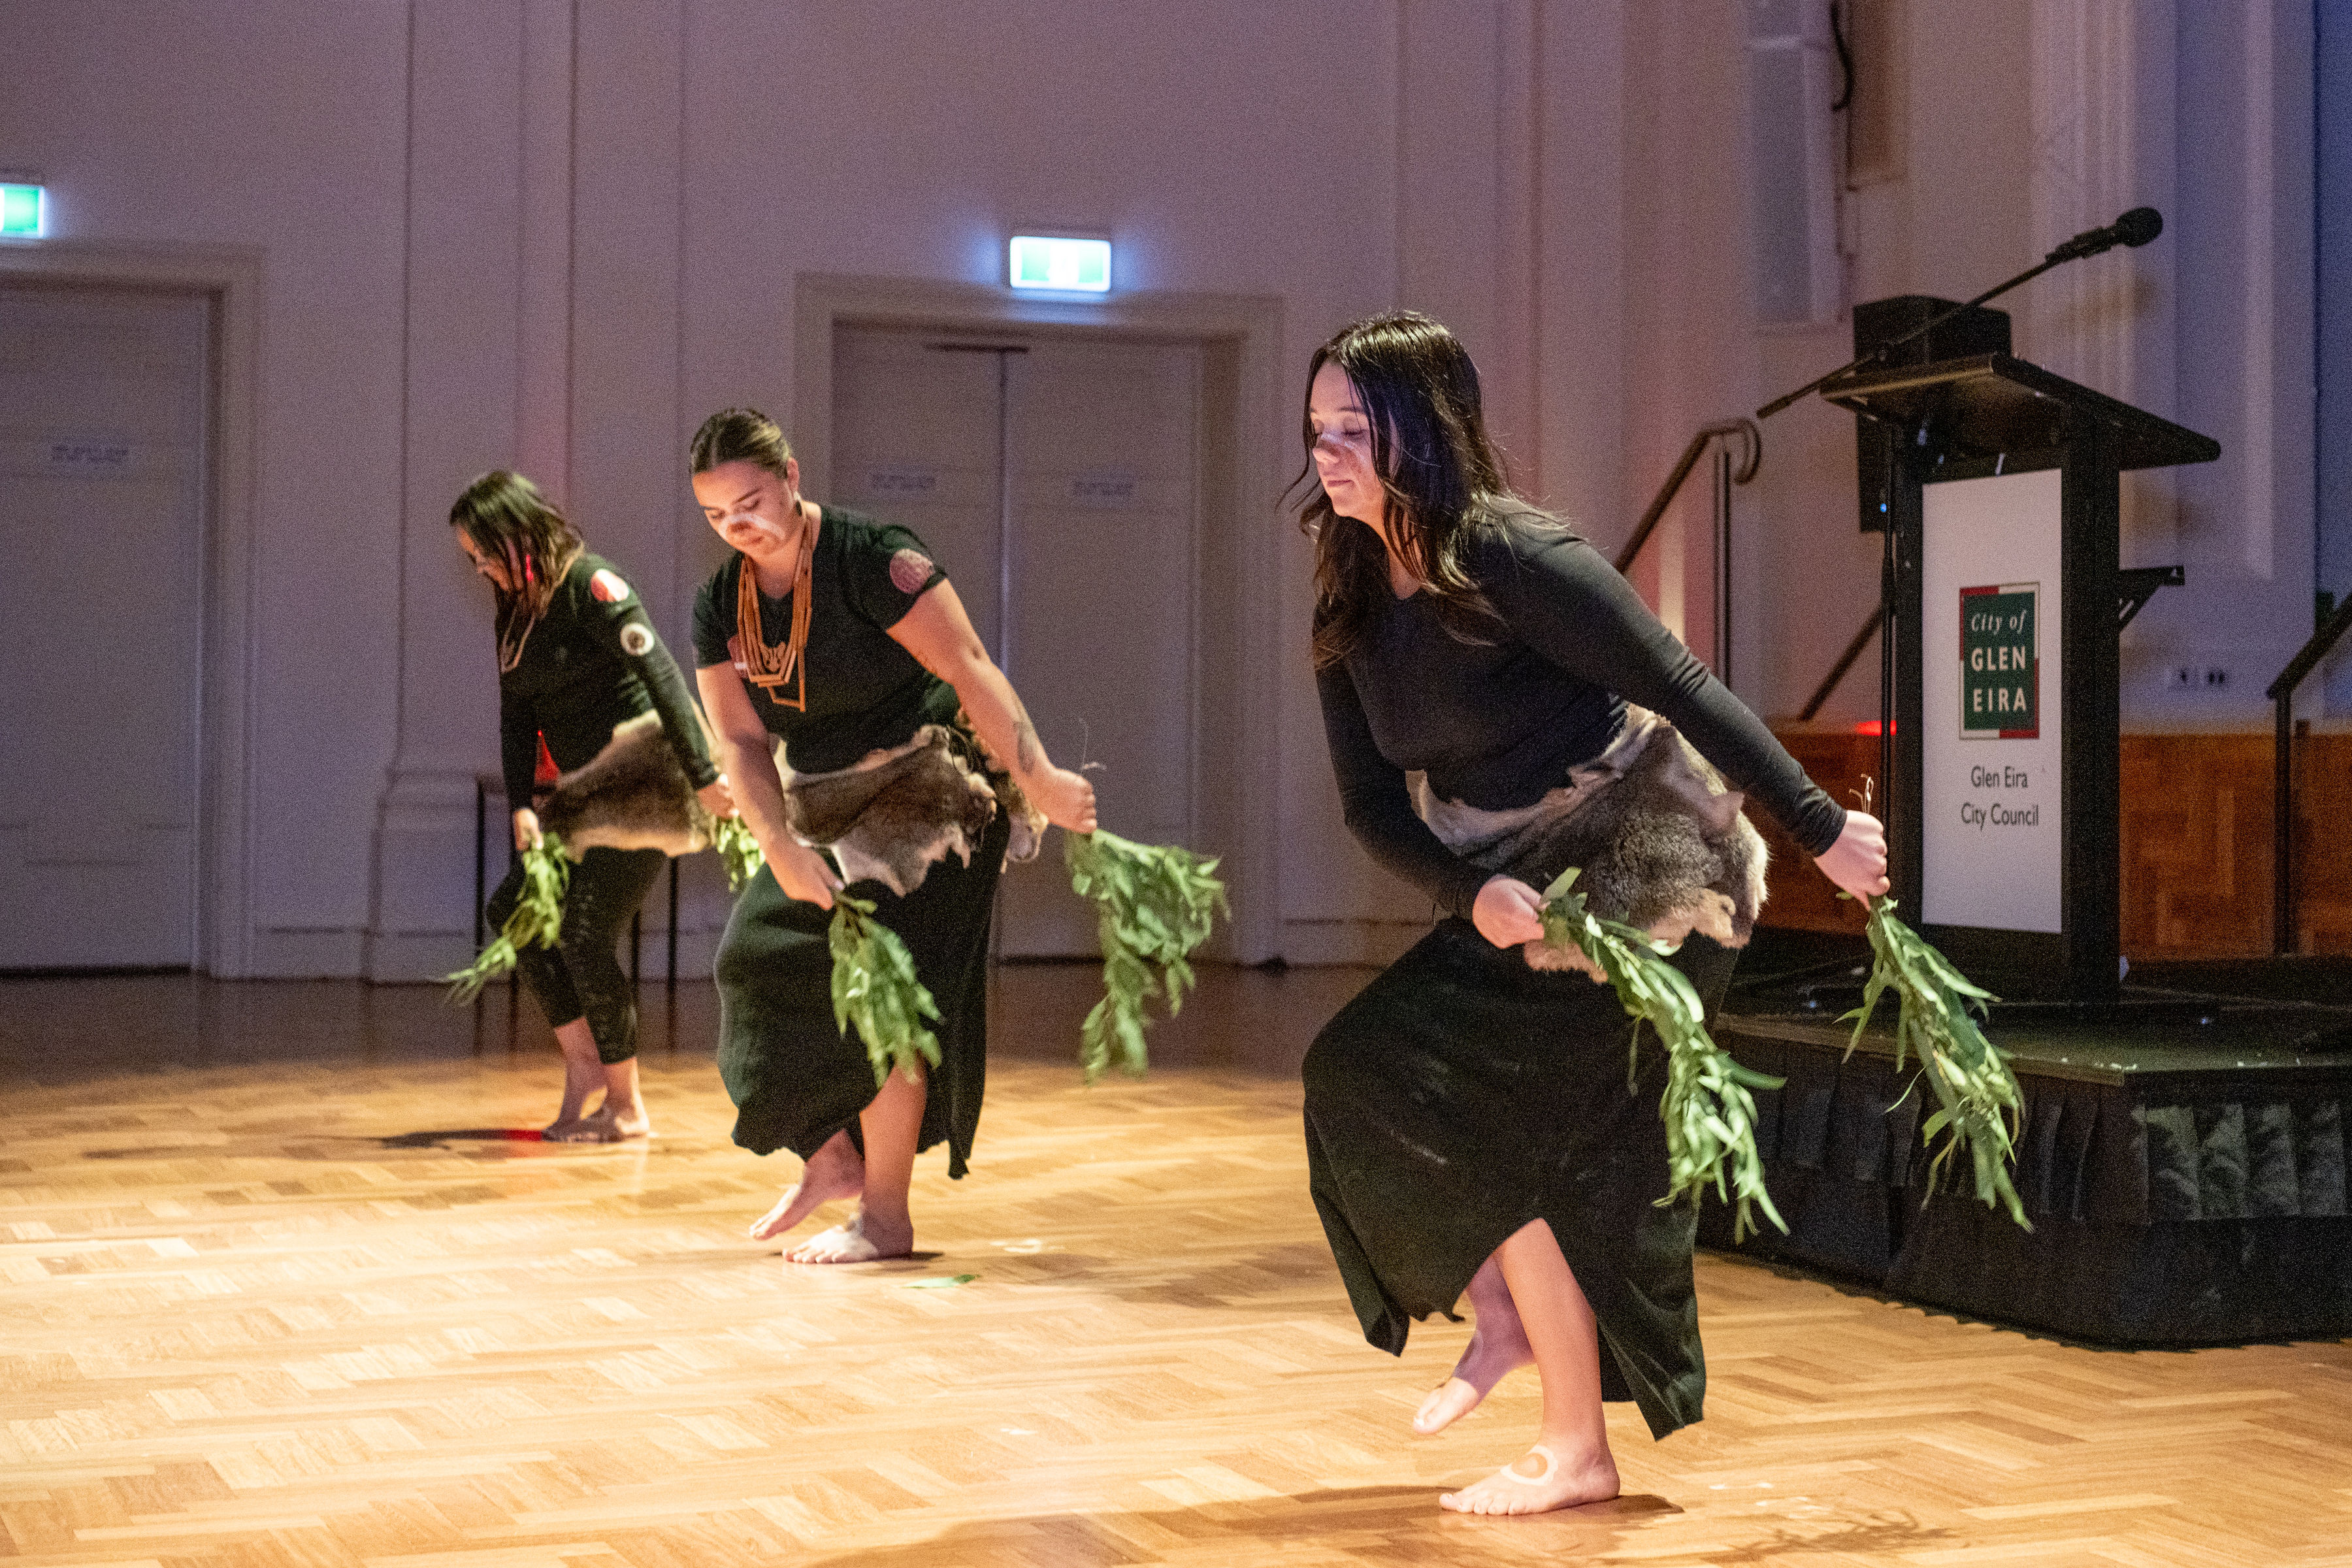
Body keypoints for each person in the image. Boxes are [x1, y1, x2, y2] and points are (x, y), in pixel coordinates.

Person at [1296, 314, 1889, 1516]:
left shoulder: (1515, 554)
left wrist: (1819, 827)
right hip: (1518, 874)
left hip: (1649, 860)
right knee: (1359, 1067)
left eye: (1356, 430)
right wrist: (1473, 894)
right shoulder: (1349, 591)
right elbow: (1369, 807)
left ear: (1425, 431)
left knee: (1530, 1129)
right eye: (1316, 432)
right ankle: (1511, 1323)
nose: (1329, 455)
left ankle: (1577, 1447)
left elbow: (1681, 686)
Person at [687, 408, 1097, 1265]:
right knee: (758, 959)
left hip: (934, 790)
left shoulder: (873, 559)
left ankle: (887, 1218)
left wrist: (1041, 779)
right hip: (831, 800)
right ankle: (834, 1158)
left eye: (753, 501)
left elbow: (970, 666)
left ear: (793, 477)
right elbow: (741, 743)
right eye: (719, 514)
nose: (740, 526)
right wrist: (781, 850)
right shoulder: (720, 603)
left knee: (880, 990)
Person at [454, 470, 733, 1143]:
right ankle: (584, 1069)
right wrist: (522, 802)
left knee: (583, 933)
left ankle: (628, 1106)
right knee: (514, 911)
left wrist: (702, 773)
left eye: (486, 551)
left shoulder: (593, 586)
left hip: (648, 781)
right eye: (472, 559)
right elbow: (516, 711)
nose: (482, 567)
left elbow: (660, 671)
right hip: (585, 792)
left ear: (519, 534)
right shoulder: (514, 603)